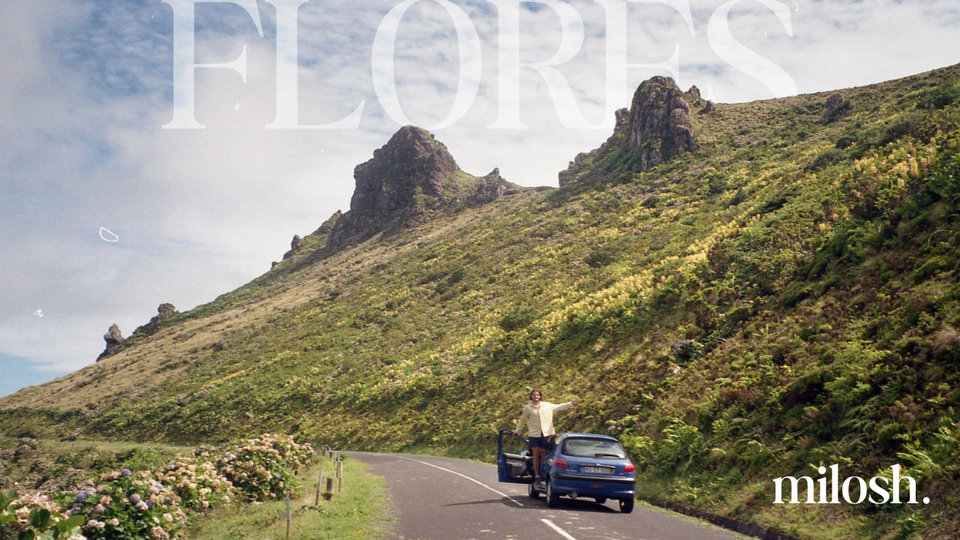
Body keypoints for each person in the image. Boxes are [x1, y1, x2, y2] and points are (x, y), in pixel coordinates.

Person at [512, 389, 580, 483]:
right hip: (534, 434)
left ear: (540, 396)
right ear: (531, 396)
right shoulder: (527, 408)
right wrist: (517, 430)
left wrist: (571, 403)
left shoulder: (547, 405)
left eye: (537, 395)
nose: (536, 396)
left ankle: (543, 473)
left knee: (544, 453)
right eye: (534, 395)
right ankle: (537, 475)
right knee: (535, 453)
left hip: (546, 433)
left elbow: (560, 407)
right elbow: (522, 420)